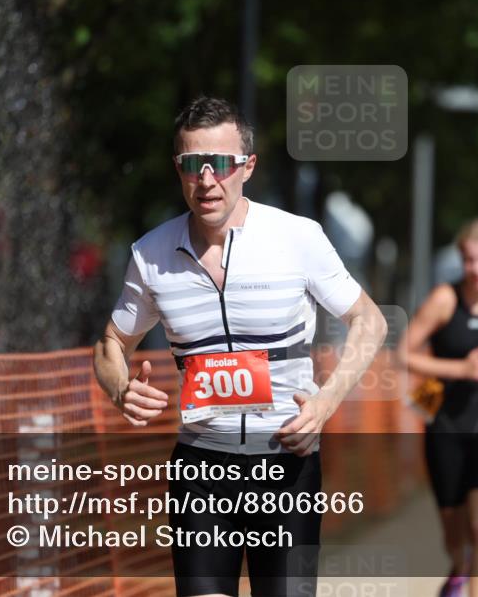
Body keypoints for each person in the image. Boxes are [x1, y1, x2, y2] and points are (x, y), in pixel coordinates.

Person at [92, 96, 387, 597]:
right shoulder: (151, 254)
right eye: (192, 164)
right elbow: (110, 344)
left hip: (286, 464)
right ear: (178, 169)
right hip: (202, 471)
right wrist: (120, 387)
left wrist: (326, 402)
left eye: (221, 164)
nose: (207, 178)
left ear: (247, 167)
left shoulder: (298, 238)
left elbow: (369, 320)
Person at [398, 219, 478, 597]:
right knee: (453, 533)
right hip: (444, 419)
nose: (477, 269)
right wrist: (460, 368)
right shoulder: (444, 300)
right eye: (469, 260)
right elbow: (403, 354)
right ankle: (458, 566)